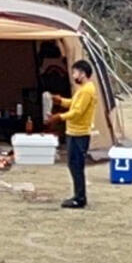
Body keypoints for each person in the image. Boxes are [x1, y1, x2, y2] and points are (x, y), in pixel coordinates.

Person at [49, 59, 99, 209]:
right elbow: (75, 103)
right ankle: (78, 195)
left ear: (82, 74)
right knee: (73, 165)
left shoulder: (87, 90)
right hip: (74, 132)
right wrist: (61, 101)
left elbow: (77, 112)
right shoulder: (83, 89)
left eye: (75, 72)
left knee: (76, 165)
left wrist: (59, 117)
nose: (73, 75)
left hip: (79, 133)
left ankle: (79, 198)